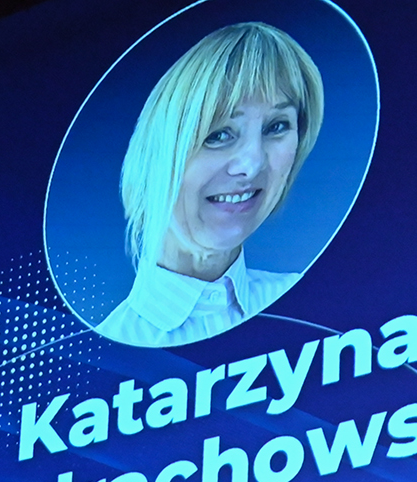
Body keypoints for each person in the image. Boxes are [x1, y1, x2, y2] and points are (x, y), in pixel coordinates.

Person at [96, 23, 325, 347]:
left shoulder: (318, 307)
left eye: (276, 127)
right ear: (158, 152)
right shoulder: (105, 350)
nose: (252, 165)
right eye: (218, 134)